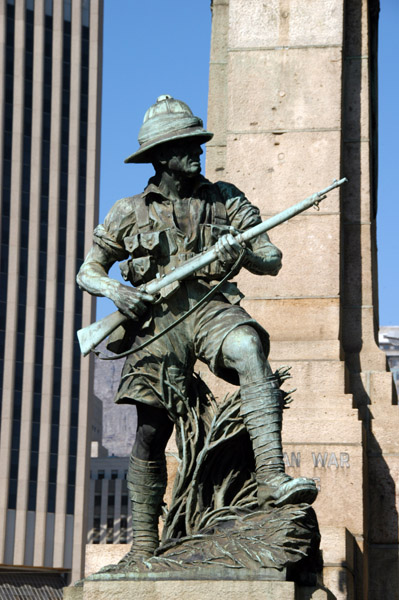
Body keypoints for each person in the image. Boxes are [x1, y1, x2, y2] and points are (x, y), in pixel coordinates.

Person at [77, 95, 317, 563]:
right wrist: (117, 291)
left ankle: (271, 475)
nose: (198, 150)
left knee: (248, 347)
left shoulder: (225, 198)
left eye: (198, 142)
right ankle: (144, 543)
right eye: (187, 144)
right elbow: (88, 269)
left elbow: (271, 258)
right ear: (162, 155)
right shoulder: (129, 210)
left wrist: (241, 253)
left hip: (212, 310)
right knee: (150, 430)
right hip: (157, 324)